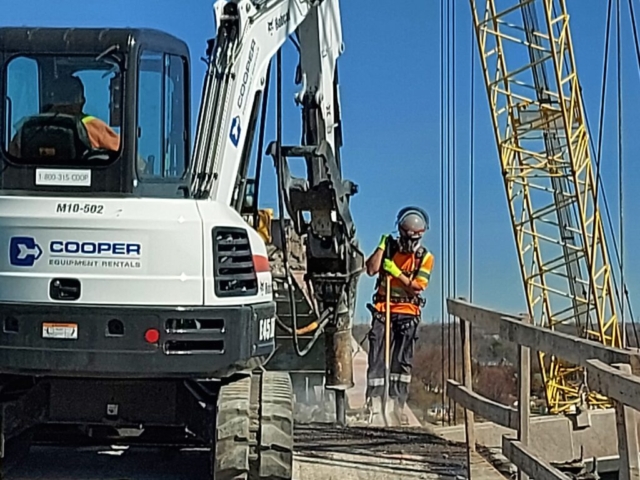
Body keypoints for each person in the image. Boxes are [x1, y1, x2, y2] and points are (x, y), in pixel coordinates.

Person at [364, 206, 434, 424]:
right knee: (376, 357)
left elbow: (417, 287)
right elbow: (371, 269)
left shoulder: (425, 257)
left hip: (408, 312)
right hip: (384, 310)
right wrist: (381, 247)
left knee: (402, 362)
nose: (408, 244)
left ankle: (397, 403)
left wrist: (397, 273)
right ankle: (373, 402)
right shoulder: (389, 248)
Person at [9, 74, 120, 157]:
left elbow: (10, 158)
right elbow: (124, 154)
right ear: (81, 101)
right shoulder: (93, 127)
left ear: (51, 98)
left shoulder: (27, 128)